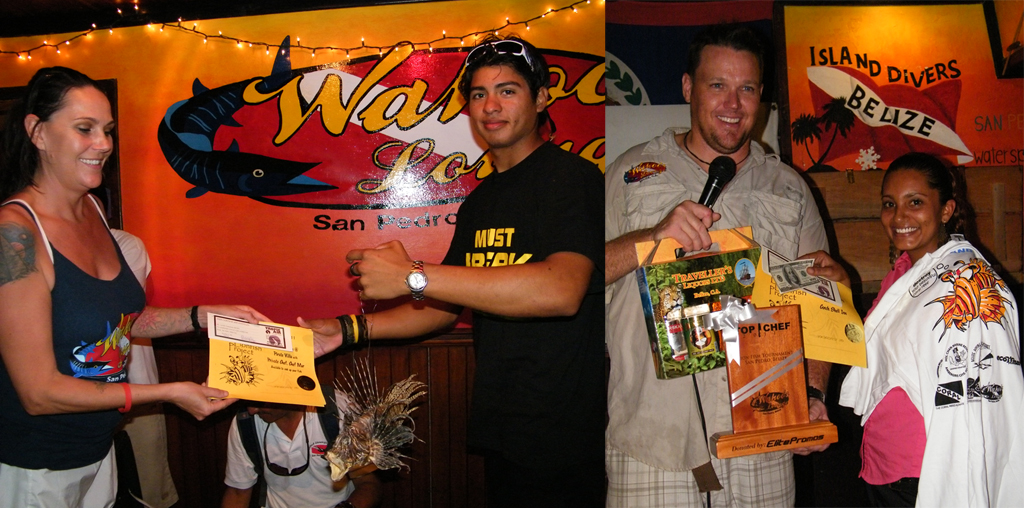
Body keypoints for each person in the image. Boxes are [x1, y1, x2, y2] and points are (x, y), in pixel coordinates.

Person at [300, 35, 605, 508]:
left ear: (542, 98)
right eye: (479, 94)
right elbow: (442, 310)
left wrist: (414, 274)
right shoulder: (481, 200)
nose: (490, 106)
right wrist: (347, 330)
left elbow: (561, 290)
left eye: (507, 90)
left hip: (565, 431)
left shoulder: (571, 177)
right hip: (503, 423)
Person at [0, 66, 268, 508]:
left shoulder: (92, 208)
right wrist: (167, 393)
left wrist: (202, 316)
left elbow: (118, 322)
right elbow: (39, 393)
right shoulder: (16, 233)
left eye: (107, 130)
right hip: (36, 468)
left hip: (98, 449)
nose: (104, 144)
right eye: (84, 129)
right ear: (38, 132)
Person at [604, 24, 834, 506]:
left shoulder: (789, 188)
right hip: (655, 440)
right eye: (717, 85)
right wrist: (652, 236)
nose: (733, 104)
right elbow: (584, 274)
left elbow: (818, 300)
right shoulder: (628, 172)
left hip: (763, 434)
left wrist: (812, 394)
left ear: (761, 95)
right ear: (688, 87)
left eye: (746, 88)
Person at [834, 152, 1022, 507]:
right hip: (881, 464)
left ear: (946, 210)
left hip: (924, 473)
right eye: (889, 204)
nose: (898, 217)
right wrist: (841, 289)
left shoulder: (966, 281)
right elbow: (873, 350)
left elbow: (976, 393)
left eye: (915, 202)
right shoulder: (904, 272)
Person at [112, 229, 179, 508]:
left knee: (147, 490)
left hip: (137, 394)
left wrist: (201, 316)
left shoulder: (123, 243)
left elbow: (122, 314)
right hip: (73, 398)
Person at [221, 400, 382, 508]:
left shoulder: (338, 410)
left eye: (260, 401)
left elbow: (368, 484)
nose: (252, 410)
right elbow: (238, 492)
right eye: (248, 400)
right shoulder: (245, 423)